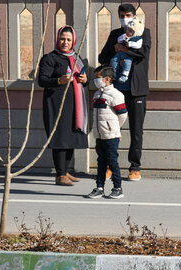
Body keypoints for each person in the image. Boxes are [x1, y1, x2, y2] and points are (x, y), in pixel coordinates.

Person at [99, 4, 151, 182]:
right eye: (122, 15)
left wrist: (125, 50)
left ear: (134, 15)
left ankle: (134, 167)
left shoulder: (144, 32)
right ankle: (109, 166)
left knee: (136, 130)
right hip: (116, 92)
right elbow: (102, 57)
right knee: (110, 129)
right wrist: (115, 52)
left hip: (137, 91)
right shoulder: (115, 34)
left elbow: (143, 53)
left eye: (128, 15)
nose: (125, 18)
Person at [38, 25, 89, 186]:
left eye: (68, 39)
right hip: (56, 103)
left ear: (73, 41)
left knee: (70, 136)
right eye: (62, 39)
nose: (65, 42)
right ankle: (60, 174)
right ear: (57, 39)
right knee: (60, 137)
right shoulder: (50, 58)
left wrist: (84, 80)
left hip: (74, 104)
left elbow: (81, 81)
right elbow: (42, 80)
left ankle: (66, 170)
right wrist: (59, 80)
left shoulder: (76, 57)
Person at [85, 66, 128, 200]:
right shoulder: (97, 94)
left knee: (112, 161)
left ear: (107, 79)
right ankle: (99, 187)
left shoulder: (116, 95)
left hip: (111, 135)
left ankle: (117, 187)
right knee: (101, 162)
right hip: (99, 135)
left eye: (98, 78)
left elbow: (123, 115)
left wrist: (115, 129)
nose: (96, 80)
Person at [110, 17, 144, 85]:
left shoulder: (138, 38)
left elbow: (138, 45)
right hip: (120, 54)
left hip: (128, 56)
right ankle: (113, 72)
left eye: (131, 31)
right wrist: (122, 38)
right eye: (128, 30)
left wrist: (130, 44)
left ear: (136, 32)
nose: (128, 32)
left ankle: (125, 75)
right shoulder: (125, 35)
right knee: (114, 60)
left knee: (127, 63)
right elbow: (118, 40)